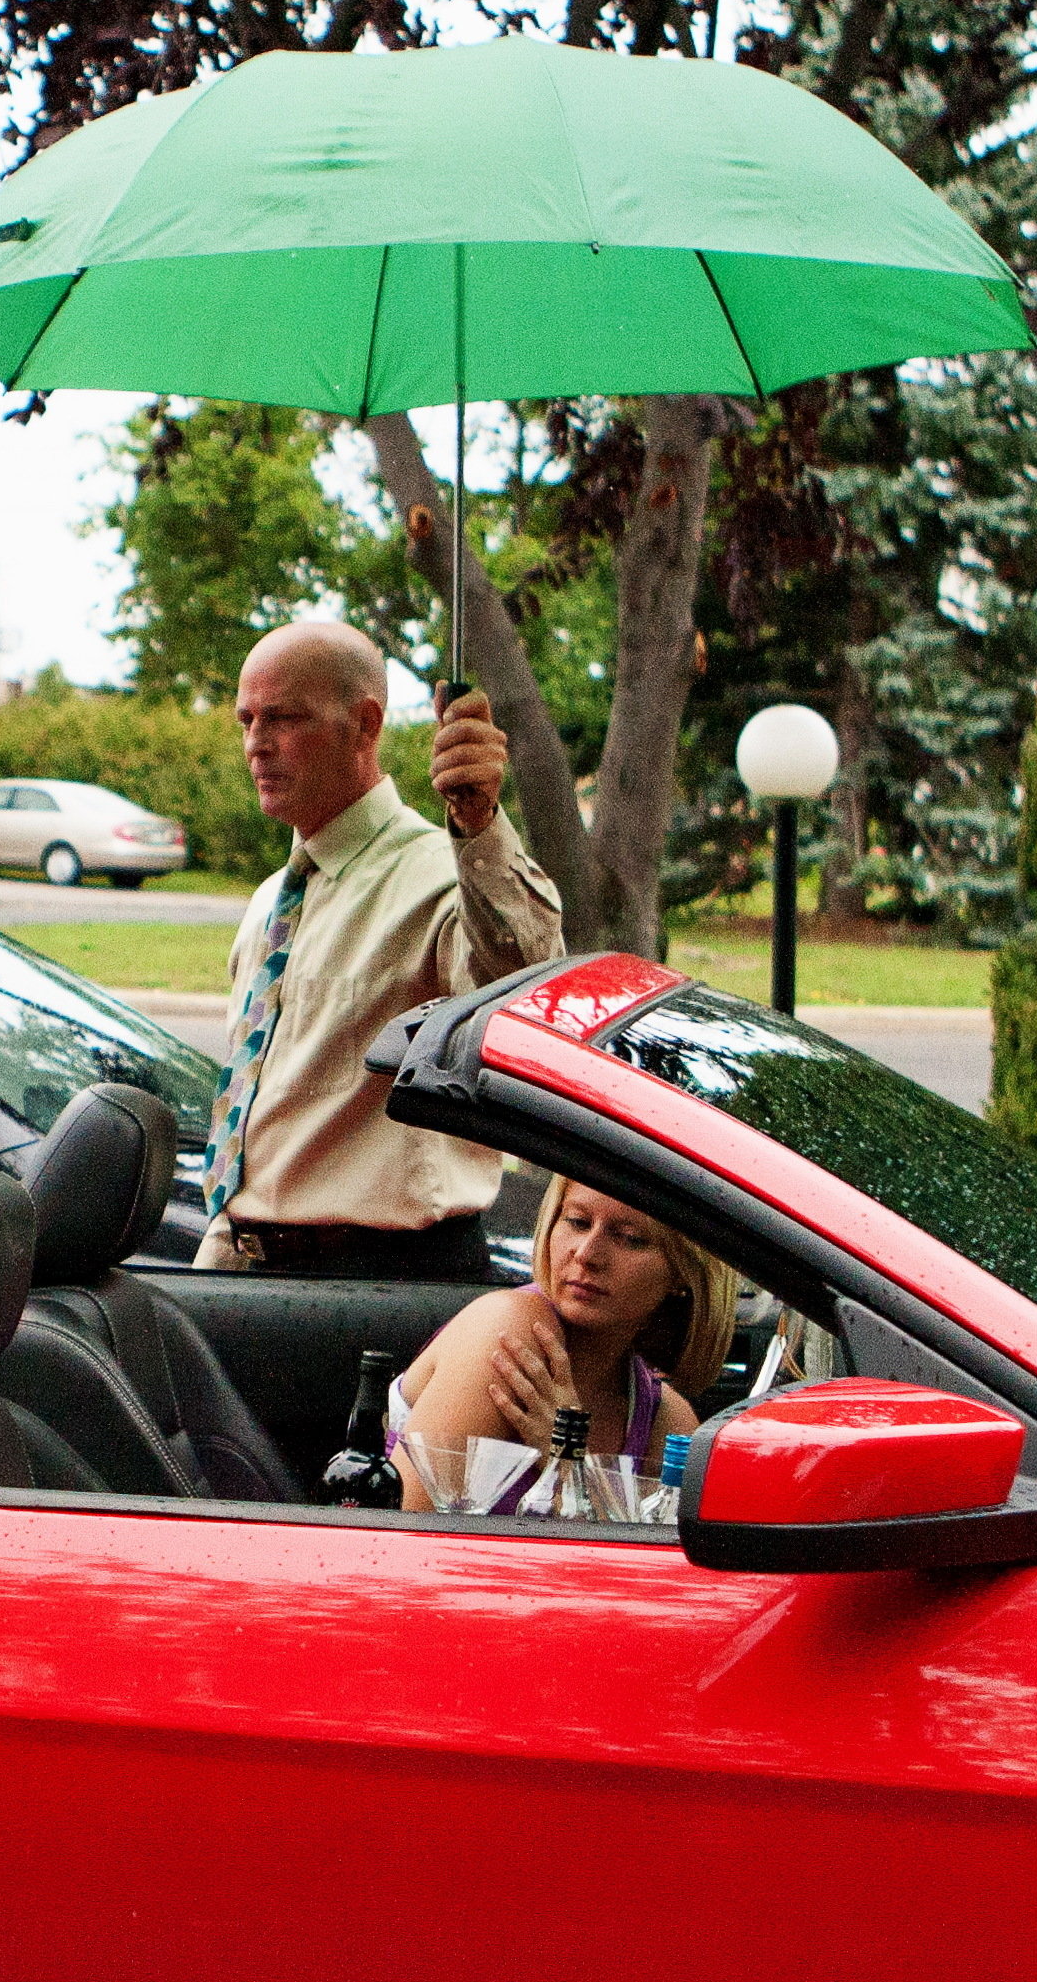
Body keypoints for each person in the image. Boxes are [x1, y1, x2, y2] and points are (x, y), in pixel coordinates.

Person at [194, 619, 562, 1274]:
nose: (256, 743)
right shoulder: (269, 903)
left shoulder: (443, 873)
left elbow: (524, 982)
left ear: (365, 724)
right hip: (255, 1271)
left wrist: (478, 824)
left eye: (282, 717)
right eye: (245, 719)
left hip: (386, 1279)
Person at [389, 1180, 737, 1515]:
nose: (587, 1254)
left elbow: (639, 1571)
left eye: (631, 1239)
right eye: (578, 1222)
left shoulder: (667, 1419)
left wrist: (569, 1466)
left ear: (682, 1273)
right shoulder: (510, 1331)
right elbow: (407, 1535)